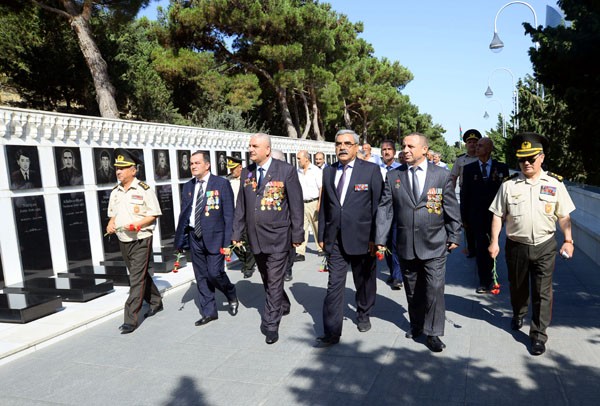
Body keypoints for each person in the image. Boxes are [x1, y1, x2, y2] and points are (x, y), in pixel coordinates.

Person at [489, 132, 575, 356]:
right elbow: (498, 214)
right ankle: (518, 312)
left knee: (542, 291)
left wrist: (568, 240)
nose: (526, 163)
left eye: (531, 158)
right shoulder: (509, 185)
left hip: (546, 245)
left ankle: (538, 334)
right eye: (521, 159)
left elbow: (563, 216)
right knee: (517, 287)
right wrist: (494, 242)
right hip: (516, 245)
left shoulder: (555, 184)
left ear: (542, 158)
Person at [376, 132, 461, 353]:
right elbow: (385, 209)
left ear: (424, 149)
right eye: (403, 146)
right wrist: (380, 238)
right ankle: (417, 324)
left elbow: (451, 207)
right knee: (413, 290)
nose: (405, 150)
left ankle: (433, 333)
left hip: (434, 242)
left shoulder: (441, 175)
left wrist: (454, 234)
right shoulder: (394, 176)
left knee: (434, 288)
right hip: (405, 243)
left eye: (410, 146)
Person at [232, 134, 304, 345]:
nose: (250, 149)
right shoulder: (247, 172)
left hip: (279, 237)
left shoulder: (286, 171)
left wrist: (297, 234)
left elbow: (296, 205)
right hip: (255, 238)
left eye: (255, 146)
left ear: (267, 150)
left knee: (273, 278)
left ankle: (271, 323)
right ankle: (283, 302)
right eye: (250, 146)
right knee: (267, 277)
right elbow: (241, 206)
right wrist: (236, 232)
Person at [316, 129, 383, 347]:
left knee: (363, 282)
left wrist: (377, 238)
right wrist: (322, 235)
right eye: (338, 144)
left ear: (356, 147)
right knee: (334, 285)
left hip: (364, 239)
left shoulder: (371, 171)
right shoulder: (328, 171)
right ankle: (332, 332)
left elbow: (378, 208)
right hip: (335, 239)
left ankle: (363, 313)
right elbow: (326, 205)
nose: (342, 147)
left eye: (347, 143)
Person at [174, 150, 239, 327]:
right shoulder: (188, 186)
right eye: (191, 163)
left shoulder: (221, 183)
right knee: (201, 276)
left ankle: (230, 292)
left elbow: (229, 215)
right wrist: (181, 239)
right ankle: (209, 312)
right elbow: (185, 213)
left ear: (207, 165)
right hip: (195, 237)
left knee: (214, 273)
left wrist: (228, 242)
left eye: (197, 163)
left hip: (216, 238)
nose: (193, 166)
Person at [106, 149, 163, 334]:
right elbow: (113, 214)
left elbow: (153, 214)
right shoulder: (115, 191)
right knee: (140, 274)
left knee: (135, 279)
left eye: (123, 168)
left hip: (141, 239)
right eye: (117, 168)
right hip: (123, 239)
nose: (118, 172)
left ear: (133, 170)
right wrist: (110, 224)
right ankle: (156, 301)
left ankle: (130, 319)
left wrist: (138, 224)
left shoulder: (144, 190)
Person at [460, 138, 509, 293]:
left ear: (489, 149)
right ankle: (484, 280)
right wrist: (464, 218)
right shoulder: (469, 169)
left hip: (496, 215)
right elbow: (465, 195)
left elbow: (507, 193)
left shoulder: (501, 168)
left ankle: (491, 272)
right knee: (481, 246)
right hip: (476, 216)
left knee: (492, 243)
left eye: (480, 146)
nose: (476, 148)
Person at [451, 128, 482, 258]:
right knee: (467, 222)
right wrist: (450, 196)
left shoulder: (483, 158)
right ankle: (471, 247)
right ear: (466, 144)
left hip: (481, 194)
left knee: (481, 222)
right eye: (470, 142)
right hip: (465, 194)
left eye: (475, 142)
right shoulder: (460, 160)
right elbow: (453, 177)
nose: (473, 144)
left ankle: (482, 246)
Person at [225, 155, 256, 278]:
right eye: (230, 169)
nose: (232, 171)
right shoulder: (228, 180)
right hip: (233, 214)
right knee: (233, 241)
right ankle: (246, 261)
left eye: (234, 168)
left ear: (240, 167)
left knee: (247, 241)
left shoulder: (248, 178)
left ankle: (249, 266)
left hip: (246, 214)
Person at [378, 139, 403, 290]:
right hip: (381, 212)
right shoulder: (375, 169)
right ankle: (393, 272)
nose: (386, 152)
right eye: (383, 149)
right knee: (385, 244)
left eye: (389, 149)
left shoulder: (401, 169)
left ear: (394, 152)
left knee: (395, 245)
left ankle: (398, 277)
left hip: (396, 212)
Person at [271, 149, 296, 283]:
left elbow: (295, 201)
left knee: (289, 247)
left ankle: (288, 269)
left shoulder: (288, 173)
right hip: (273, 222)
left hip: (287, 220)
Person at [295, 150, 324, 263]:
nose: (297, 161)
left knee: (316, 226)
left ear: (306, 158)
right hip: (302, 203)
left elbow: (321, 188)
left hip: (314, 202)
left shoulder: (315, 171)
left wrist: (319, 203)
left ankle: (320, 248)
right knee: (302, 228)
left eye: (299, 158)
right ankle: (300, 251)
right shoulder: (297, 171)